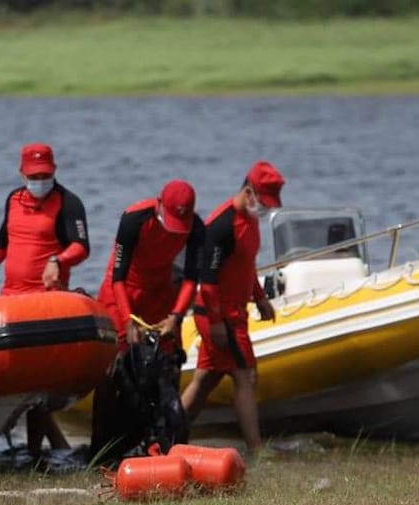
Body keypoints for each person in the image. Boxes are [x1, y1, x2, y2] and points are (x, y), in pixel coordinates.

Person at [0, 143, 90, 459]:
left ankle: (36, 453)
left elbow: (81, 247)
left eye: (44, 175)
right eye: (34, 176)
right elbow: (1, 243)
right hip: (12, 300)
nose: (39, 181)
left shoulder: (68, 203)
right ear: (22, 173)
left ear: (54, 171)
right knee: (16, 384)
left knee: (38, 386)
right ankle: (40, 446)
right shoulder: (13, 199)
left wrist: (58, 260)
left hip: (45, 305)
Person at [89, 179, 205, 460]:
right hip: (123, 290)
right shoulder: (134, 220)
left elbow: (191, 280)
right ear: (159, 204)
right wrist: (128, 320)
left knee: (167, 362)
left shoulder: (196, 228)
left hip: (160, 292)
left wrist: (176, 316)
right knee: (114, 367)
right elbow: (118, 277)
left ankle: (163, 443)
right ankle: (101, 449)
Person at [180, 161, 285, 454]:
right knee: (245, 375)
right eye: (263, 202)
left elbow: (246, 264)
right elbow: (208, 281)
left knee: (206, 379)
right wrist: (215, 323)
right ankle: (256, 450)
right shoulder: (221, 226)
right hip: (218, 315)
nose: (265, 209)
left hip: (236, 313)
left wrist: (259, 297)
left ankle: (168, 436)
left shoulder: (250, 220)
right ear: (248, 192)